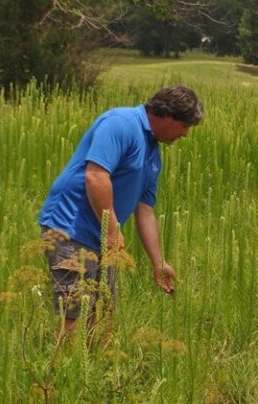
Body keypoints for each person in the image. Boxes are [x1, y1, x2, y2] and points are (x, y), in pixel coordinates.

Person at [38, 85, 203, 338]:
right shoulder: (121, 123)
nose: (185, 135)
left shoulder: (153, 154)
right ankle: (62, 375)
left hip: (103, 237)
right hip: (70, 228)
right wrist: (113, 232)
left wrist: (158, 263)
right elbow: (96, 176)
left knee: (103, 311)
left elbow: (145, 210)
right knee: (74, 315)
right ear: (168, 116)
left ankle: (97, 374)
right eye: (185, 126)